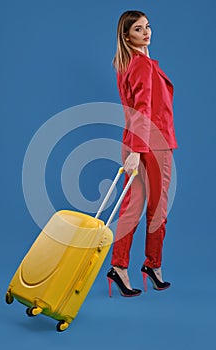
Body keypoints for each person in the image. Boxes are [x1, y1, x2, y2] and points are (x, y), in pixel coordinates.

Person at [107, 10, 178, 297]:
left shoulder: (128, 63)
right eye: (138, 29)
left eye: (148, 27)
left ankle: (121, 267)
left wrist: (133, 148)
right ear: (127, 36)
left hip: (135, 142)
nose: (146, 32)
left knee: (131, 208)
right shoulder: (142, 65)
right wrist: (138, 149)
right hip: (152, 143)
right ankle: (153, 265)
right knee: (156, 210)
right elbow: (143, 110)